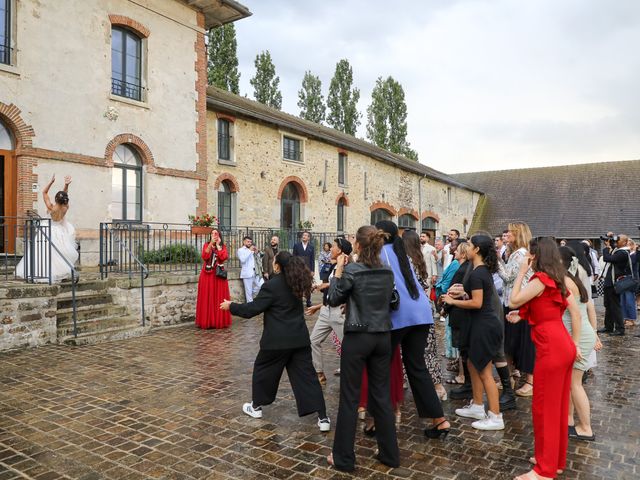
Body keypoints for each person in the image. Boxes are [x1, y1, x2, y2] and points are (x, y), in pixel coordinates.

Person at [220, 251, 330, 432]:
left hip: (276, 342)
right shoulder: (297, 281)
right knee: (308, 378)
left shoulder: (271, 286)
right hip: (298, 340)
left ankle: (256, 407)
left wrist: (231, 306)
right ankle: (323, 418)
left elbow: (252, 309)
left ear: (277, 265)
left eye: (273, 261)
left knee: (263, 373)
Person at [326, 225, 399, 472]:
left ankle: (343, 457)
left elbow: (333, 298)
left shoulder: (353, 270)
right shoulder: (387, 271)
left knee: (350, 397)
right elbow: (392, 300)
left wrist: (338, 271)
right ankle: (390, 454)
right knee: (381, 396)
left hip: (358, 336)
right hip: (381, 336)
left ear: (358, 245)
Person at [508, 237, 582, 480]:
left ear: (536, 255)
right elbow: (562, 310)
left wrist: (521, 271)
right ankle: (553, 461)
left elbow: (513, 299)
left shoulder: (540, 279)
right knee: (558, 407)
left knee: (544, 408)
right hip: (562, 344)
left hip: (551, 348)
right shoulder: (557, 278)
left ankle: (544, 471)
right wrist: (523, 315)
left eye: (530, 254)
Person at [375, 220, 451, 439]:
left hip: (400, 316)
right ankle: (439, 420)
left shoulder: (381, 254)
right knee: (417, 368)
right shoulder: (402, 254)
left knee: (380, 365)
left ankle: (381, 416)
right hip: (421, 314)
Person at [443, 234, 505, 430]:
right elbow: (478, 295)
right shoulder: (479, 270)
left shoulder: (479, 273)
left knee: (485, 371)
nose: (466, 247)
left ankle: (496, 416)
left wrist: (454, 301)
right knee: (471, 363)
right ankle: (478, 405)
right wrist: (463, 292)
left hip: (484, 325)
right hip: (478, 324)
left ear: (477, 249)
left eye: (469, 245)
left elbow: (478, 303)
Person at [559, 246, 600, 441]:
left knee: (575, 384)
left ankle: (586, 428)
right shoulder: (570, 278)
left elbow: (576, 315)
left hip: (580, 336)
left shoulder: (566, 282)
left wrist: (575, 343)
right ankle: (569, 420)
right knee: (570, 384)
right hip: (581, 334)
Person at [403, 230, 446, 400]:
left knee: (422, 349)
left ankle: (437, 387)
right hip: (422, 307)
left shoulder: (407, 261)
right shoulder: (418, 258)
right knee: (426, 349)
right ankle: (436, 386)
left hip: (412, 310)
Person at [16, 175, 79, 282]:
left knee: (43, 253)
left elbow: (44, 193)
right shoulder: (66, 207)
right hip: (60, 231)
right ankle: (59, 272)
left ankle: (42, 272)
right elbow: (64, 195)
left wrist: (51, 182)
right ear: (65, 201)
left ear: (56, 199)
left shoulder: (51, 208)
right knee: (58, 253)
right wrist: (66, 185)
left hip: (48, 230)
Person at [307, 238, 352, 385]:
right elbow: (334, 284)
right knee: (314, 340)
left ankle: (352, 377)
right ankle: (319, 373)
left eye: (333, 246)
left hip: (338, 311)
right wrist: (320, 299)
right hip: (327, 309)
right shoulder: (335, 266)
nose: (331, 248)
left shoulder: (345, 265)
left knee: (348, 346)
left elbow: (343, 288)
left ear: (340, 250)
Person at [498, 222, 534, 398]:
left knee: (522, 343)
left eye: (510, 233)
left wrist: (495, 260)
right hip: (513, 300)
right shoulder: (516, 253)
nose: (506, 236)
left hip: (519, 301)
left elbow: (506, 277)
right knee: (511, 342)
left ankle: (529, 381)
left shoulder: (520, 255)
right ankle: (511, 376)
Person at [195, 229, 231, 329]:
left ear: (219, 235)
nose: (214, 235)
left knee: (218, 297)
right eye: (212, 233)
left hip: (218, 276)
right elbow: (205, 256)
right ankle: (207, 321)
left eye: (216, 233)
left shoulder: (222, 246)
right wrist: (211, 243)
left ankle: (218, 321)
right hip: (207, 275)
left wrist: (218, 246)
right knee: (207, 297)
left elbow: (223, 257)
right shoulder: (207, 245)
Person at [598, 233, 630, 336]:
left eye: (618, 239)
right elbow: (612, 250)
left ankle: (620, 329)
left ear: (625, 242)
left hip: (615, 282)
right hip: (609, 281)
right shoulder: (617, 251)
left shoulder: (623, 253)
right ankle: (608, 326)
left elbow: (607, 258)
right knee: (608, 305)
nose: (616, 241)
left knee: (615, 306)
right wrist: (609, 240)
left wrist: (607, 248)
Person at [237, 236, 264, 302]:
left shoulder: (252, 250)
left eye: (250, 242)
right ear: (244, 242)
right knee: (248, 293)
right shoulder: (240, 250)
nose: (249, 243)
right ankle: (250, 307)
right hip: (247, 274)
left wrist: (257, 252)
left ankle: (252, 294)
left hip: (256, 272)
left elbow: (259, 259)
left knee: (262, 285)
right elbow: (243, 260)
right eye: (248, 241)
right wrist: (250, 251)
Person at [293, 231, 315, 307]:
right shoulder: (296, 245)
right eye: (303, 235)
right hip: (298, 268)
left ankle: (308, 301)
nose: (304, 236)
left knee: (308, 285)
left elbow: (312, 259)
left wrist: (312, 270)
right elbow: (294, 257)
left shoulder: (311, 247)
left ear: (309, 238)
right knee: (298, 285)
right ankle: (298, 301)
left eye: (306, 235)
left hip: (308, 269)